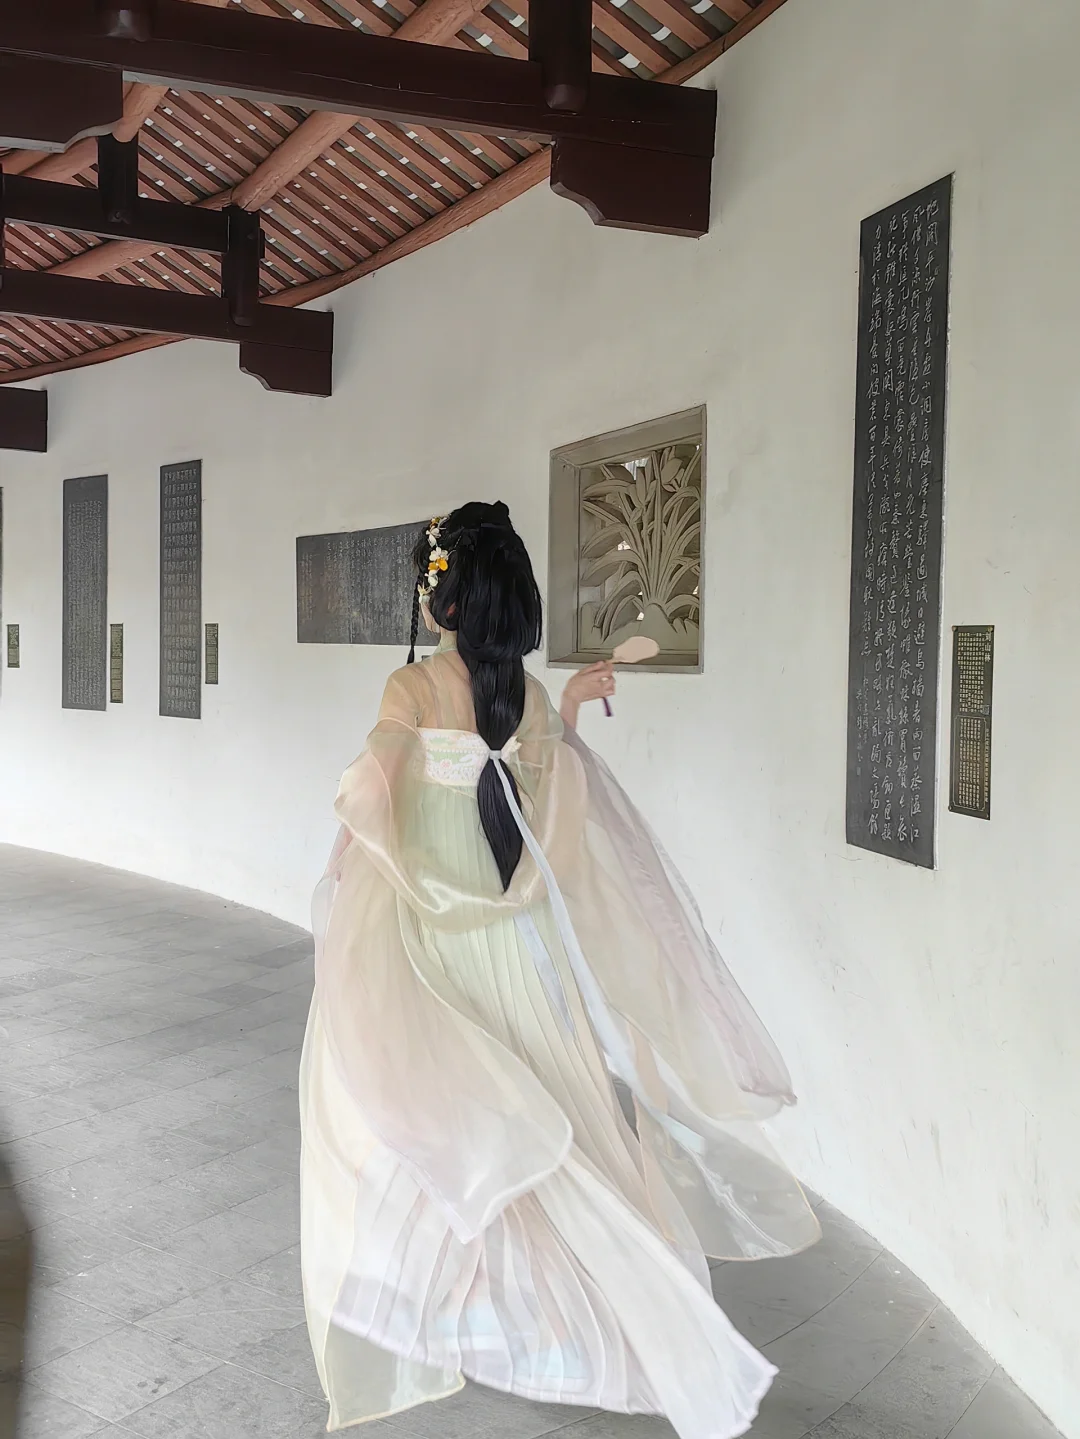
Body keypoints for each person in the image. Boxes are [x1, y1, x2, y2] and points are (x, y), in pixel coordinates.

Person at [300, 502, 819, 1439]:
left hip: (435, 927)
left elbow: (373, 786)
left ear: (445, 599)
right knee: (555, 1105)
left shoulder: (414, 684)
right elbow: (546, 793)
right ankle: (598, 1309)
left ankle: (456, 1300)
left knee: (431, 1104)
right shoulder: (528, 696)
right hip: (516, 929)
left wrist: (344, 858)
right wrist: (570, 707)